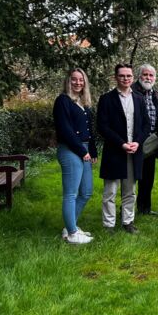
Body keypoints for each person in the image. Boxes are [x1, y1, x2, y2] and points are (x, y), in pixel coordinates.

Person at [97, 63, 149, 234]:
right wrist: (121, 143)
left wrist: (138, 142)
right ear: (116, 77)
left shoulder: (139, 99)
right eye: (122, 76)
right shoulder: (106, 99)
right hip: (114, 151)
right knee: (110, 192)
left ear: (132, 77)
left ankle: (128, 222)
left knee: (130, 191)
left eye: (128, 76)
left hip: (134, 151)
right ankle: (109, 225)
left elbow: (146, 125)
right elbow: (102, 126)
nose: (125, 79)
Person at [54, 68, 98, 244]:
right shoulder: (62, 101)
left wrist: (92, 150)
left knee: (86, 192)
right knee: (71, 194)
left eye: (81, 80)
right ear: (68, 81)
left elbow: (89, 129)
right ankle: (72, 233)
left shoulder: (82, 102)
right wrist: (82, 151)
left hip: (84, 150)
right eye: (74, 80)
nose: (78, 83)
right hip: (71, 150)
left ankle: (69, 226)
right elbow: (65, 130)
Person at [132, 63, 158, 216]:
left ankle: (145, 208)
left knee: (148, 177)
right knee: (131, 178)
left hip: (151, 142)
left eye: (151, 75)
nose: (148, 78)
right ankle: (127, 209)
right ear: (139, 76)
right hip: (135, 140)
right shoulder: (131, 92)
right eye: (145, 75)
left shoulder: (156, 94)